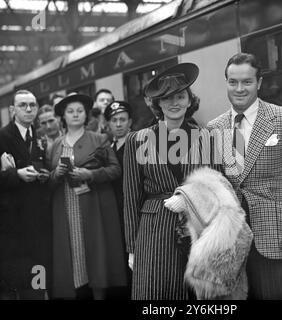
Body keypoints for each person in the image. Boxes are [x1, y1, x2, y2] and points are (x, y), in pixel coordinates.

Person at [207, 53, 282, 299]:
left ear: (260, 83)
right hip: (230, 240)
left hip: (274, 232)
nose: (239, 88)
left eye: (247, 82)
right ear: (226, 83)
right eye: (233, 82)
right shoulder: (215, 128)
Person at [124, 62, 219, 300]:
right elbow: (131, 198)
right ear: (157, 103)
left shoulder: (207, 138)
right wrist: (132, 248)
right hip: (154, 229)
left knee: (200, 295)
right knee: (156, 293)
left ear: (189, 100)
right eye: (166, 98)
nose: (174, 103)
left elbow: (215, 187)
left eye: (180, 96)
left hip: (198, 226)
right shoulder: (137, 140)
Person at [48, 93, 127, 299]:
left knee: (94, 250)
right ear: (63, 116)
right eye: (70, 111)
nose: (75, 115)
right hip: (65, 205)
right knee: (72, 251)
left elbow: (115, 170)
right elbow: (48, 180)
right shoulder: (55, 145)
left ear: (85, 114)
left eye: (79, 111)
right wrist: (56, 174)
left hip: (93, 205)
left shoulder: (99, 139)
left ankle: (98, 293)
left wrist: (90, 174)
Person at [0, 90, 51, 299]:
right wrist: (16, 174)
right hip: (10, 223)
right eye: (23, 105)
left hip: (36, 220)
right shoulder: (2, 137)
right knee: (13, 283)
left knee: (36, 282)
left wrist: (44, 175)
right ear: (13, 110)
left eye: (32, 105)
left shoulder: (39, 138)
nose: (29, 109)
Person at [104, 100, 133, 298]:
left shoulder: (140, 143)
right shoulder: (106, 149)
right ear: (108, 124)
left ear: (130, 121)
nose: (119, 124)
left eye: (123, 119)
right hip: (113, 210)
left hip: (133, 209)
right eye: (114, 120)